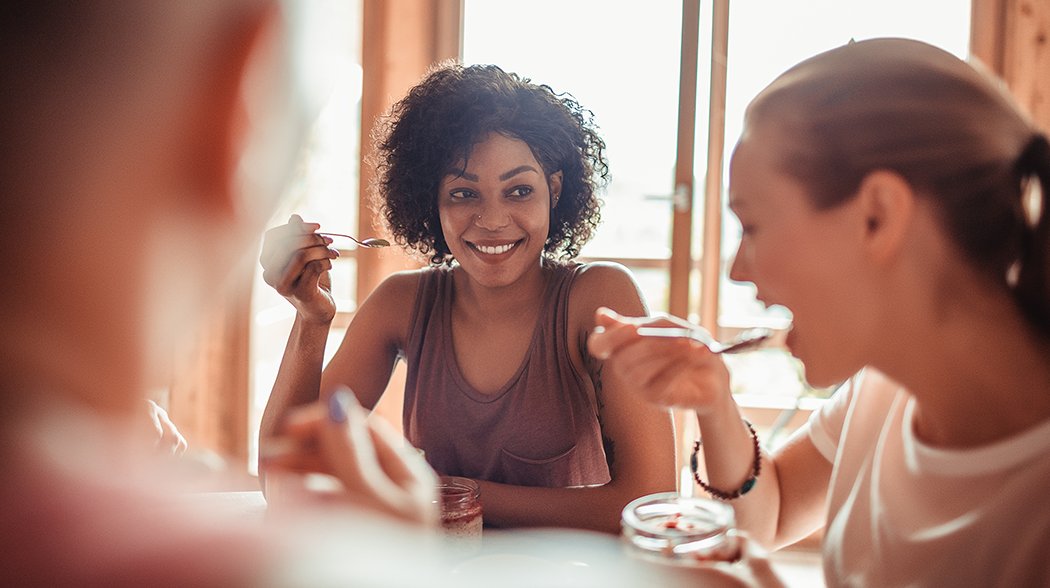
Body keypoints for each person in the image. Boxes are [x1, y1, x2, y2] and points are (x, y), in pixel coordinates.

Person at [590, 37, 1050, 586]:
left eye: (753, 226)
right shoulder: (884, 386)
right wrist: (715, 402)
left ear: (877, 217)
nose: (738, 270)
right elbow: (773, 514)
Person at [258, 62, 676, 533]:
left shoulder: (598, 297)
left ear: (554, 190)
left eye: (518, 190)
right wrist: (311, 319)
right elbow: (283, 479)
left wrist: (448, 493)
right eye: (463, 193)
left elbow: (652, 502)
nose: (493, 219)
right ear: (429, 200)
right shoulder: (401, 302)